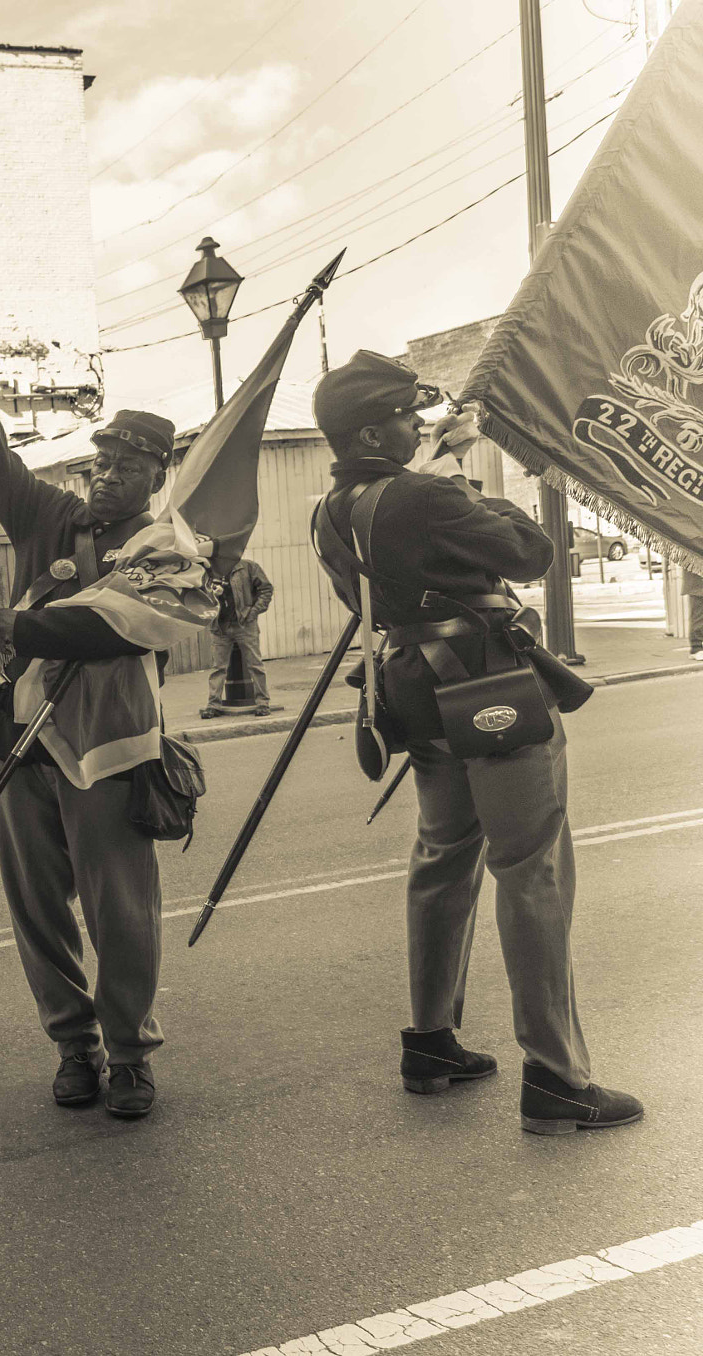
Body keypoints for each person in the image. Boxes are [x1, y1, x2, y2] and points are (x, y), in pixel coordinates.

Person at [310, 352, 641, 1135]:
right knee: (532, 871)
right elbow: (530, 552)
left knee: (442, 859)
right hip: (486, 682)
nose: (417, 424)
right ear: (371, 429)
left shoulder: (330, 510)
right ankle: (558, 1078)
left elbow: (365, 597)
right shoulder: (428, 492)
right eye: (402, 415)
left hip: (414, 690)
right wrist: (463, 476)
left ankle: (431, 1041)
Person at [0, 409, 178, 1119]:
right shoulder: (50, 516)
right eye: (102, 463)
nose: (108, 476)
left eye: (128, 467)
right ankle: (73, 1047)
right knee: (37, 909)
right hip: (23, 740)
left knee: (119, 912)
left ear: (160, 475)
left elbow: (131, 624)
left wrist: (26, 627)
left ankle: (128, 1055)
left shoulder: (166, 546)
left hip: (108, 745)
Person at [202, 556, 277, 717]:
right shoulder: (209, 570)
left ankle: (263, 703)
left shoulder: (247, 567)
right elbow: (199, 595)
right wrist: (215, 596)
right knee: (218, 668)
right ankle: (213, 705)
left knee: (255, 665)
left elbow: (266, 589)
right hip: (220, 626)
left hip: (244, 624)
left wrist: (253, 612)